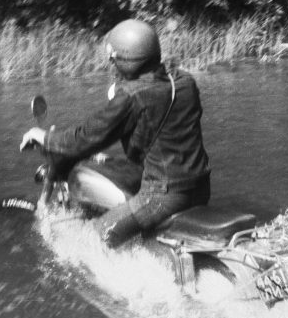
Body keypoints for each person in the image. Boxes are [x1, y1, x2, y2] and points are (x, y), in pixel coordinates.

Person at [20, 19, 210, 247]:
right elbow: (155, 136)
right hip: (199, 188)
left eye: (114, 59)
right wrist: (101, 156)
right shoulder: (184, 82)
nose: (112, 64)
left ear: (126, 60)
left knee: (91, 240)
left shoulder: (132, 97)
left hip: (162, 197)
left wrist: (41, 135)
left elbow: (83, 139)